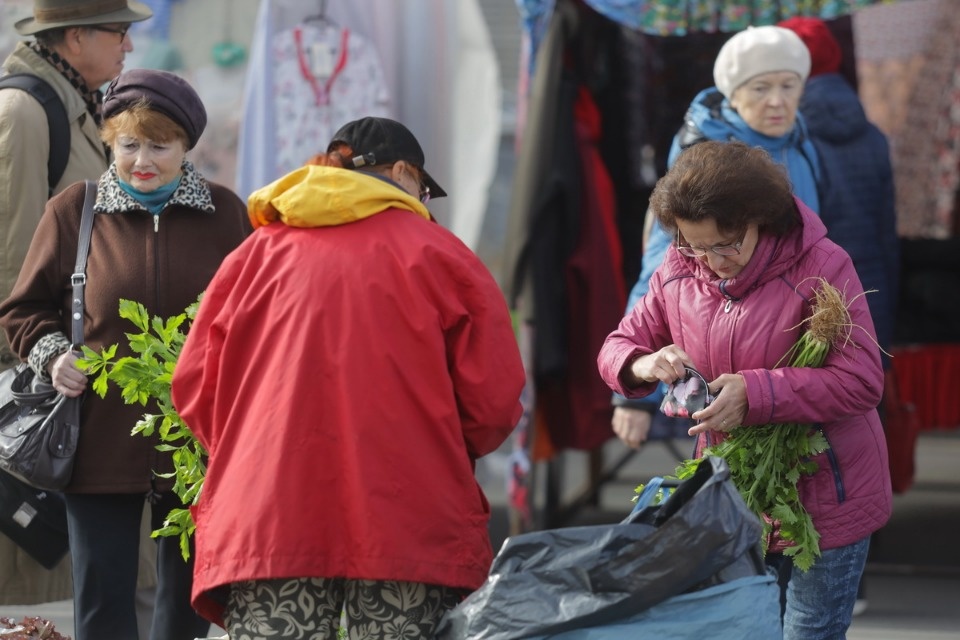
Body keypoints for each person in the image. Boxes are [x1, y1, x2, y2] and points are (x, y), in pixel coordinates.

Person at [169, 116, 526, 638]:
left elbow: (195, 386)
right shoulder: (441, 255)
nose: (425, 203)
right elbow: (493, 402)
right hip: (408, 517)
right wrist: (441, 447)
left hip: (269, 513)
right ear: (403, 173)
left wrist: (250, 450)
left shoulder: (255, 255)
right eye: (425, 190)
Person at [597, 140, 892, 639]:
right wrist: (644, 363)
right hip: (735, 497)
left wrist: (755, 394)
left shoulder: (821, 265)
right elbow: (617, 345)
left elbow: (862, 380)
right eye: (695, 245)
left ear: (759, 218)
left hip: (827, 494)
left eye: (726, 244)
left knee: (809, 631)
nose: (712, 260)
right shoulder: (677, 269)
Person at [0, 69, 251, 640]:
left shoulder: (225, 214)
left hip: (196, 443)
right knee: (102, 605)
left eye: (159, 146)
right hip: (97, 438)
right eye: (128, 144)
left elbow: (256, 318)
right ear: (110, 142)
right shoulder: (75, 210)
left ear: (186, 146)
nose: (142, 161)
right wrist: (54, 356)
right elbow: (22, 309)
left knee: (188, 607)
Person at [0, 0, 153, 610]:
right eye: (119, 32)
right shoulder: (25, 111)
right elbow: (12, 259)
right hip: (44, 378)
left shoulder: (76, 106)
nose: (128, 46)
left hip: (80, 375)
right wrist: (31, 365)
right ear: (75, 38)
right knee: (46, 592)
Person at [611, 25, 819, 450]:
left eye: (788, 85)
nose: (777, 100)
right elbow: (661, 272)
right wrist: (635, 398)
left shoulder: (800, 144)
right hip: (728, 372)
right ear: (732, 94)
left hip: (787, 366)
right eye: (760, 88)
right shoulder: (706, 165)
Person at [778, 15, 900, 618]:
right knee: (856, 439)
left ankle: (805, 577)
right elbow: (886, 232)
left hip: (809, 304)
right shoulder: (871, 134)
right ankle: (857, 576)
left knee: (803, 445)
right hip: (866, 297)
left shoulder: (793, 136)